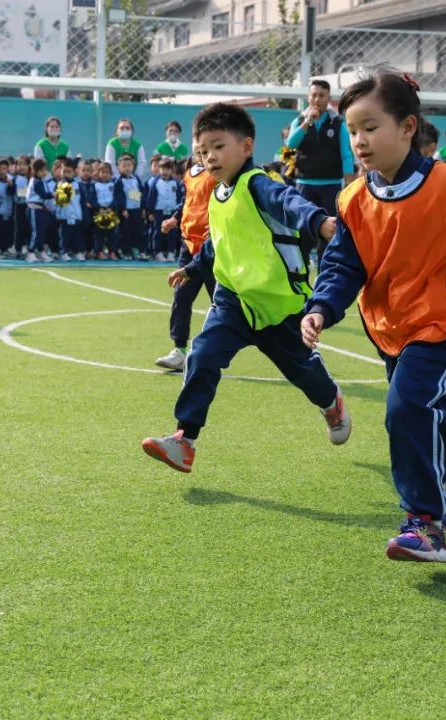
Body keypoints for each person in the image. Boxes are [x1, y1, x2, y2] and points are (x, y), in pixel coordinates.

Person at [301, 70, 446, 563]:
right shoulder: (353, 199)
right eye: (353, 131)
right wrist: (321, 307)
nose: (360, 141)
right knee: (427, 406)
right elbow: (343, 265)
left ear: (408, 127)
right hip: (390, 326)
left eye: (371, 127)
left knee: (405, 408)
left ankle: (424, 523)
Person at [141, 102, 350, 474]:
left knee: (302, 372)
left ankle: (330, 402)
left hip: (277, 306)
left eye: (218, 146)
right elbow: (217, 243)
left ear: (246, 147)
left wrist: (319, 221)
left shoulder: (258, 184)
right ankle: (184, 440)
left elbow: (289, 202)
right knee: (202, 355)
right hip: (232, 302)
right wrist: (192, 267)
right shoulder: (216, 194)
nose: (209, 157)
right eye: (202, 151)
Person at [153, 142, 214, 372]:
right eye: (198, 146)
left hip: (212, 247)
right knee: (181, 296)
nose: (201, 151)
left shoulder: (219, 173)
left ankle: (214, 350)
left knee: (220, 302)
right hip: (188, 246)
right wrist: (174, 219)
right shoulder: (189, 174)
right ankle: (179, 350)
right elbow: (187, 202)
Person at [285, 79, 356, 261]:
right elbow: (290, 143)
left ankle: (325, 272)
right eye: (314, 95)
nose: (317, 99)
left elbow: (346, 154)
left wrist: (349, 183)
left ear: (328, 98)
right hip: (304, 185)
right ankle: (300, 271)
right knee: (304, 231)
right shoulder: (299, 121)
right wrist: (306, 123)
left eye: (321, 95)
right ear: (308, 98)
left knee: (330, 232)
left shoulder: (338, 123)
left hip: (331, 186)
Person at [146, 157, 183, 263]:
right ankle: (158, 253)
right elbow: (151, 198)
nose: (165, 172)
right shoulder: (156, 183)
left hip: (172, 212)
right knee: (158, 232)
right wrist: (150, 212)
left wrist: (178, 212)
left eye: (167, 169)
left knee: (173, 232)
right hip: (159, 211)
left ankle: (171, 252)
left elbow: (180, 198)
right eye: (162, 169)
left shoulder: (176, 183)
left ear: (172, 170)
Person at [116, 153, 147, 260]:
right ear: (119, 167)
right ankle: (127, 252)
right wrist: (123, 209)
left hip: (137, 210)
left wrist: (143, 208)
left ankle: (140, 251)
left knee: (139, 231)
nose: (127, 168)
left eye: (129, 165)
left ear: (133, 166)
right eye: (124, 166)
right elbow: (119, 196)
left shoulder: (136, 179)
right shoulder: (119, 181)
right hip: (127, 211)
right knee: (126, 233)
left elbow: (141, 193)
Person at [26, 157, 56, 263]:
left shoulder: (42, 181)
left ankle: (41, 251)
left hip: (40, 209)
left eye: (44, 170)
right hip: (33, 209)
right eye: (41, 170)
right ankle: (30, 252)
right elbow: (43, 194)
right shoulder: (35, 181)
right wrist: (54, 194)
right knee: (36, 231)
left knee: (42, 231)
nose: (44, 172)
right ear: (34, 171)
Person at [91, 160, 123, 260]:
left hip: (111, 212)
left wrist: (111, 207)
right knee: (99, 234)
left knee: (112, 234)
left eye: (107, 172)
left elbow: (117, 198)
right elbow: (92, 199)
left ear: (111, 174)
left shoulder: (113, 185)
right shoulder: (95, 185)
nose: (105, 174)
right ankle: (99, 252)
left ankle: (112, 252)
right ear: (98, 173)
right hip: (99, 212)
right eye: (102, 172)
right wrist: (98, 207)